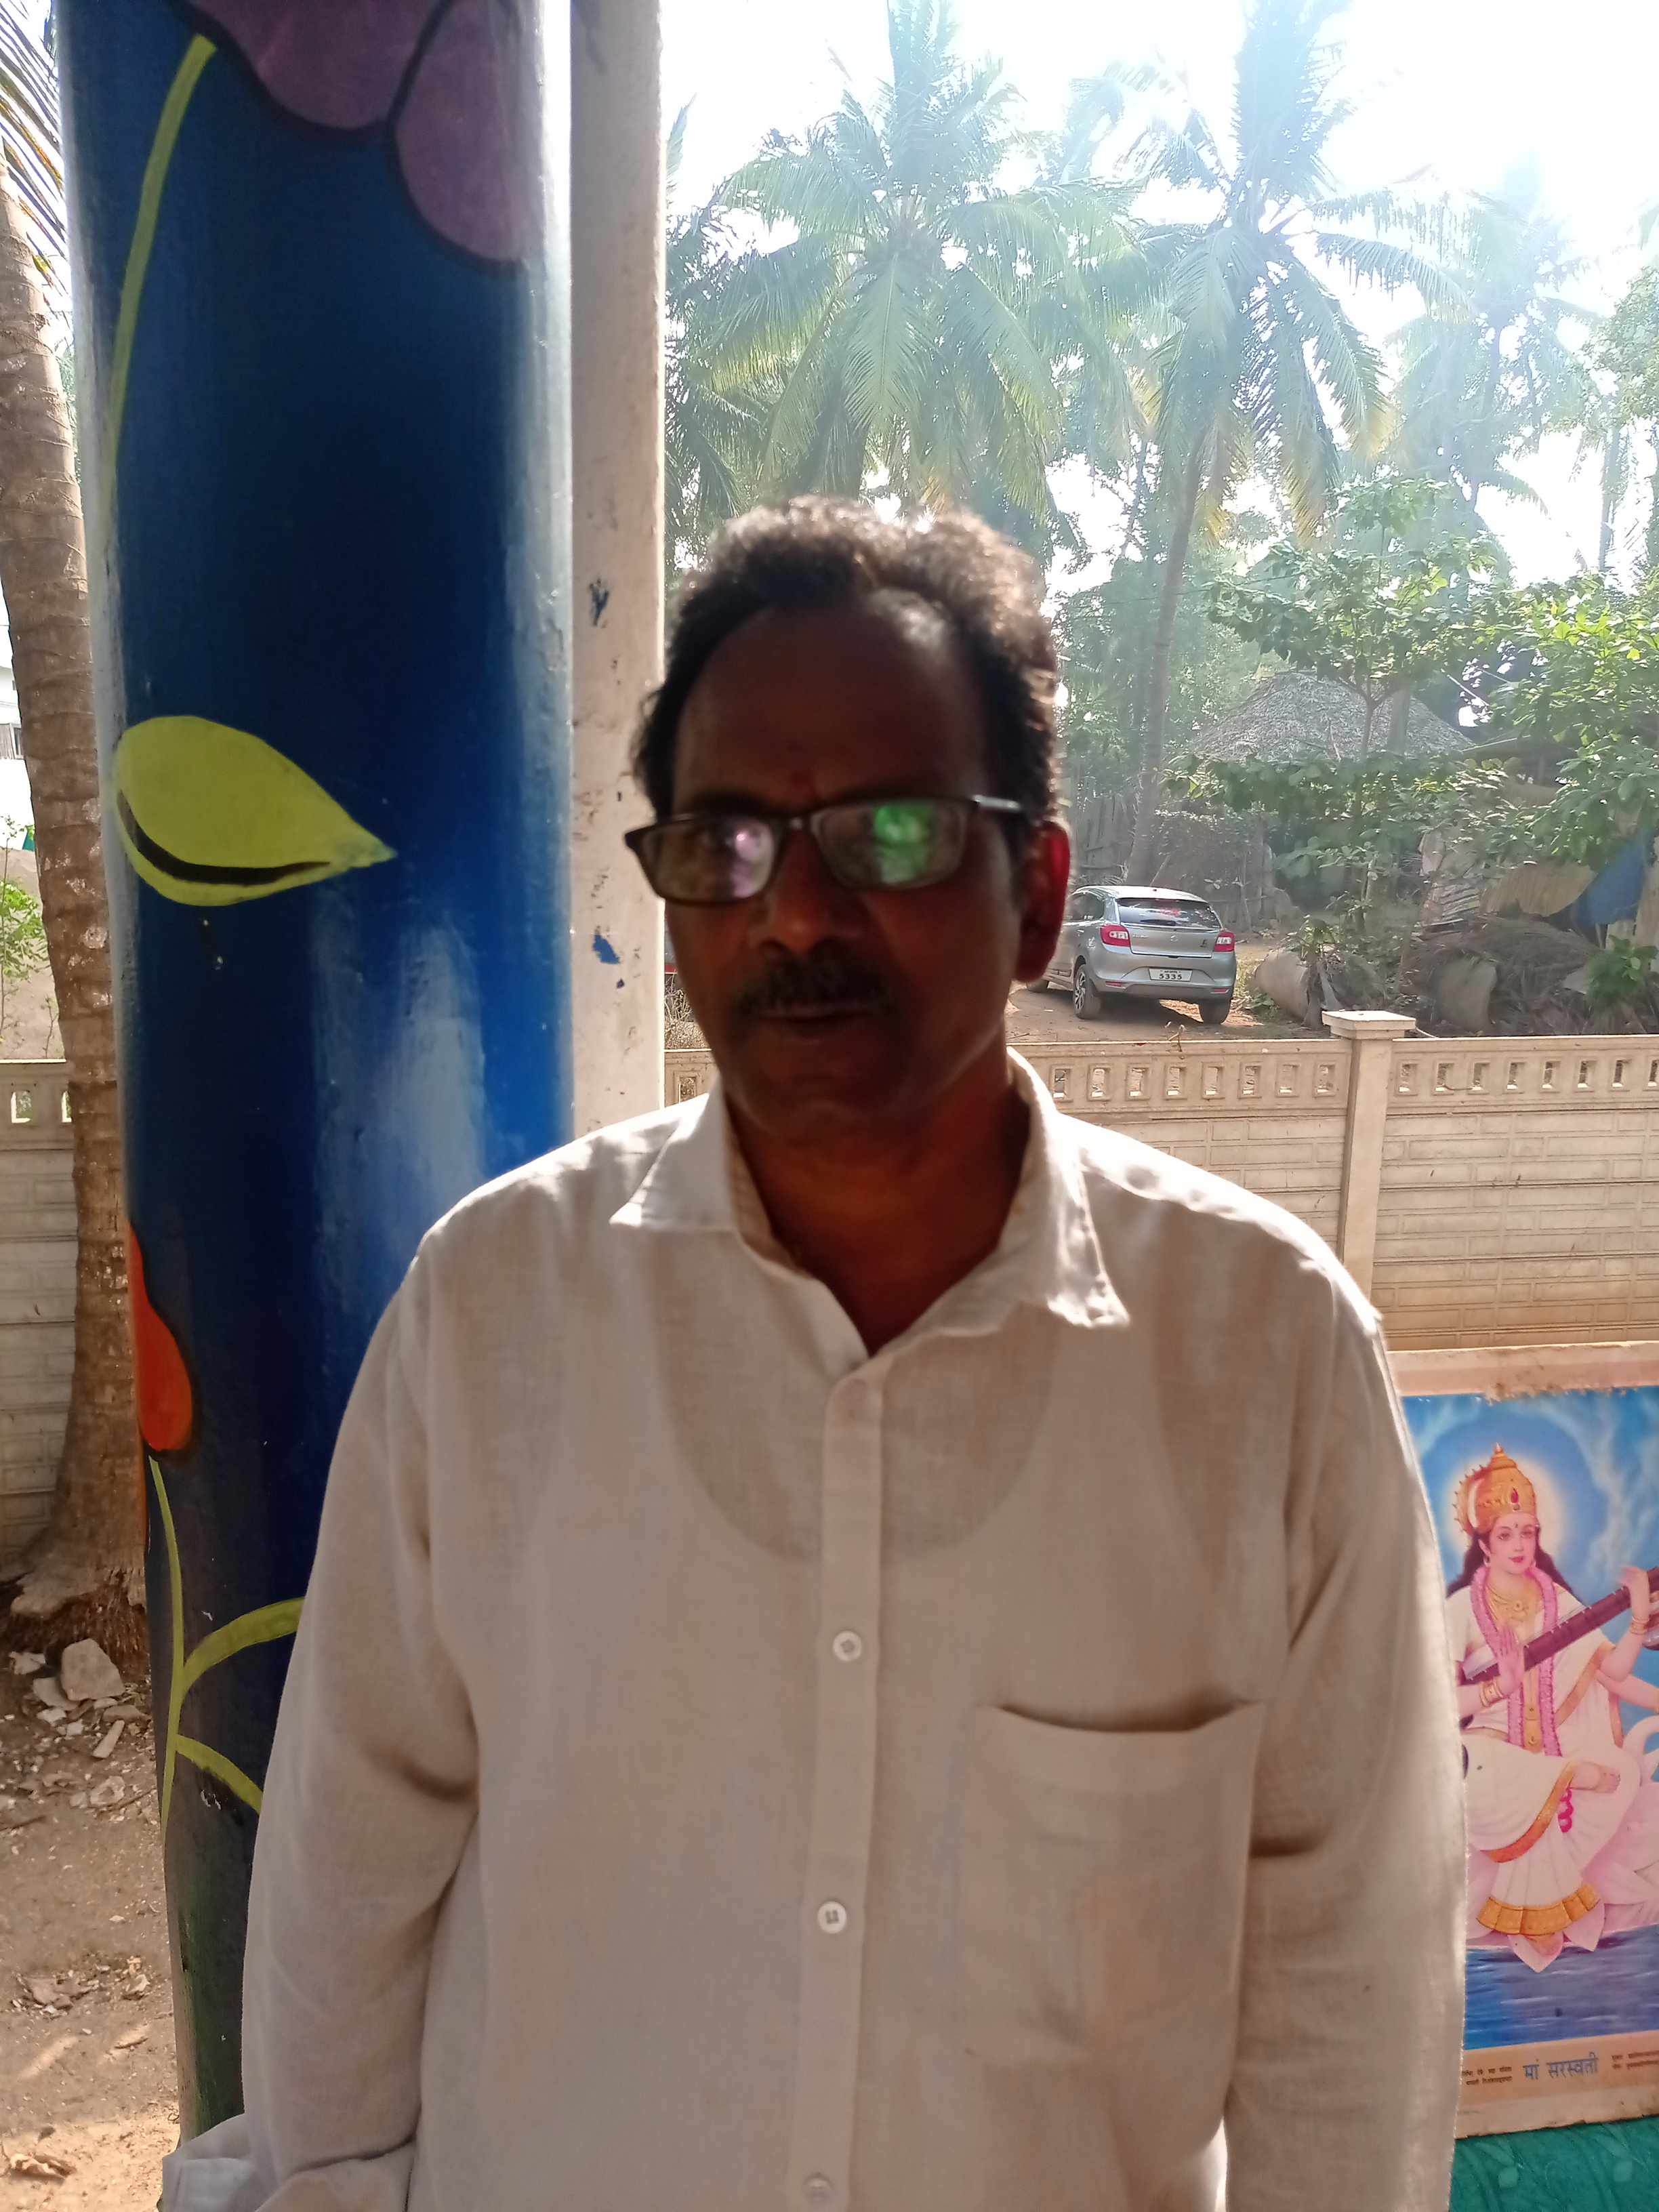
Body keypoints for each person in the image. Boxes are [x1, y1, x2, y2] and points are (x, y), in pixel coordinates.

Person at [165, 500, 1465, 2212]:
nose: (790, 914)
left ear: (1038, 896)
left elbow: (1348, 2005)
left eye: (891, 833)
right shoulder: (493, 1321)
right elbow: (348, 1888)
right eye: (724, 843)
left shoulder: (1265, 1366)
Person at [1447, 1447, 1659, 1973]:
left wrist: (1637, 1620)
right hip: (1492, 1756)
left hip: (1554, 1751)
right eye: (1506, 1535)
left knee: (1620, 1771)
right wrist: (1497, 1691)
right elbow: (1439, 1704)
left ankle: (1540, 1890)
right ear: (1483, 1544)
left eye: (1528, 1532)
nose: (1520, 1545)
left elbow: (1613, 1672)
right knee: (1484, 1765)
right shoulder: (1460, 1610)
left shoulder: (1557, 1603)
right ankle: (1542, 1899)